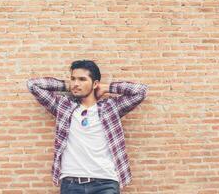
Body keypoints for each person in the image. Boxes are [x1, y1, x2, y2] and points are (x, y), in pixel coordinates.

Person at [26, 60, 148, 194]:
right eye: (73, 79)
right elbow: (33, 85)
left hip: (105, 183)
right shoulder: (63, 106)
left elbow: (140, 91)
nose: (76, 83)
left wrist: (107, 88)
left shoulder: (110, 107)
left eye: (82, 79)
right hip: (71, 183)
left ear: (95, 83)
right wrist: (69, 86)